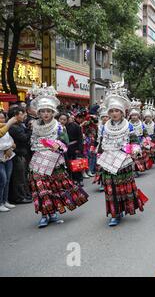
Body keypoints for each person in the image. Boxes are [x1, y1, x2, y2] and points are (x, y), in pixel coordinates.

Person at [28, 84, 89, 228]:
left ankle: (53, 212)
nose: (45, 114)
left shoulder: (59, 126)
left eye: (48, 111)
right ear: (39, 113)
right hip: (38, 160)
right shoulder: (34, 125)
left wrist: (58, 145)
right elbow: (32, 141)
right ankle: (44, 214)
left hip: (55, 161)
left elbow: (65, 142)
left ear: (53, 112)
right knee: (40, 188)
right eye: (43, 111)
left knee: (53, 188)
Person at [96, 81, 147, 227]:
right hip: (108, 162)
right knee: (110, 190)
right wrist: (99, 155)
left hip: (123, 163)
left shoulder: (128, 125)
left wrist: (135, 150)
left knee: (122, 189)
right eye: (111, 111)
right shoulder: (105, 127)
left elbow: (134, 142)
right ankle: (115, 213)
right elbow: (101, 143)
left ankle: (124, 208)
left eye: (116, 111)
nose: (113, 114)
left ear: (122, 112)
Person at [8, 107, 32, 205]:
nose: (23, 116)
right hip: (17, 155)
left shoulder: (19, 125)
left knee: (22, 176)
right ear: (15, 115)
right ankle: (19, 197)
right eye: (21, 114)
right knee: (18, 177)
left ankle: (24, 195)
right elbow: (24, 138)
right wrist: (30, 130)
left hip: (22, 154)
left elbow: (25, 133)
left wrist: (28, 129)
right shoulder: (13, 127)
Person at [0, 112, 16, 212]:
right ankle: (0, 202)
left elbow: (10, 141)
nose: (1, 120)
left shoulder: (6, 128)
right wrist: (9, 123)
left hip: (8, 157)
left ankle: (5, 201)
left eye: (2, 118)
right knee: (3, 180)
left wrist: (11, 146)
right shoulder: (6, 127)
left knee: (8, 180)